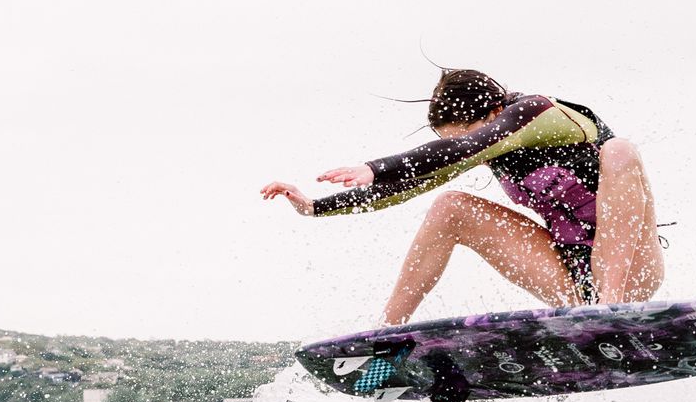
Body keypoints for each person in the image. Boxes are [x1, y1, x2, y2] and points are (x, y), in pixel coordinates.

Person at [261, 69, 664, 326]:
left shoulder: (539, 113)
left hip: (632, 268)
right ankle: (387, 337)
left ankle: (610, 313)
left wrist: (374, 165)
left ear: (491, 113)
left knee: (621, 150)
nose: (463, 150)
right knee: (450, 205)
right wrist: (313, 207)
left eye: (464, 138)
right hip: (568, 272)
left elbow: (466, 146)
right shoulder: (490, 144)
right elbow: (406, 189)